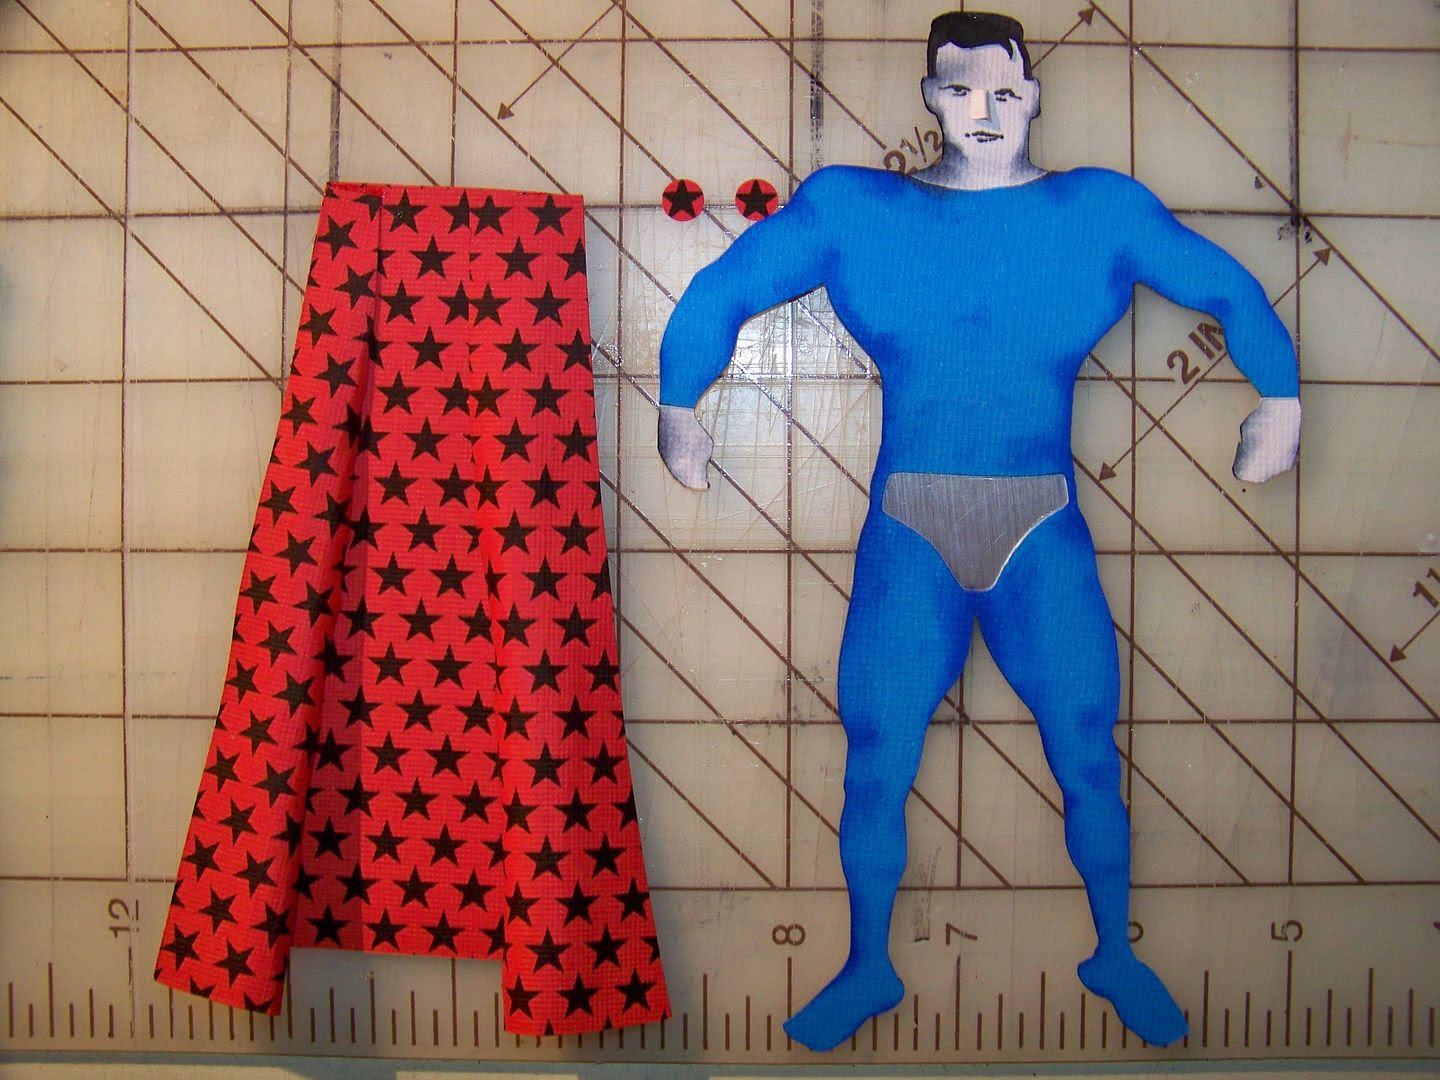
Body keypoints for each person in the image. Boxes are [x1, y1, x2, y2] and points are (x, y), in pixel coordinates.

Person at [657, 10, 1301, 1052]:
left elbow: (1226, 284)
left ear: (1034, 95)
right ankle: (868, 966)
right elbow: (722, 289)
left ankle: (1115, 953)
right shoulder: (858, 209)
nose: (984, 111)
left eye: (1004, 90)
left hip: (1037, 527)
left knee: (1086, 750)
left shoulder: (1096, 211)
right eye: (959, 89)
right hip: (911, 528)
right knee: (877, 757)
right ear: (930, 99)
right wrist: (679, 402)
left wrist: (1281, 396)